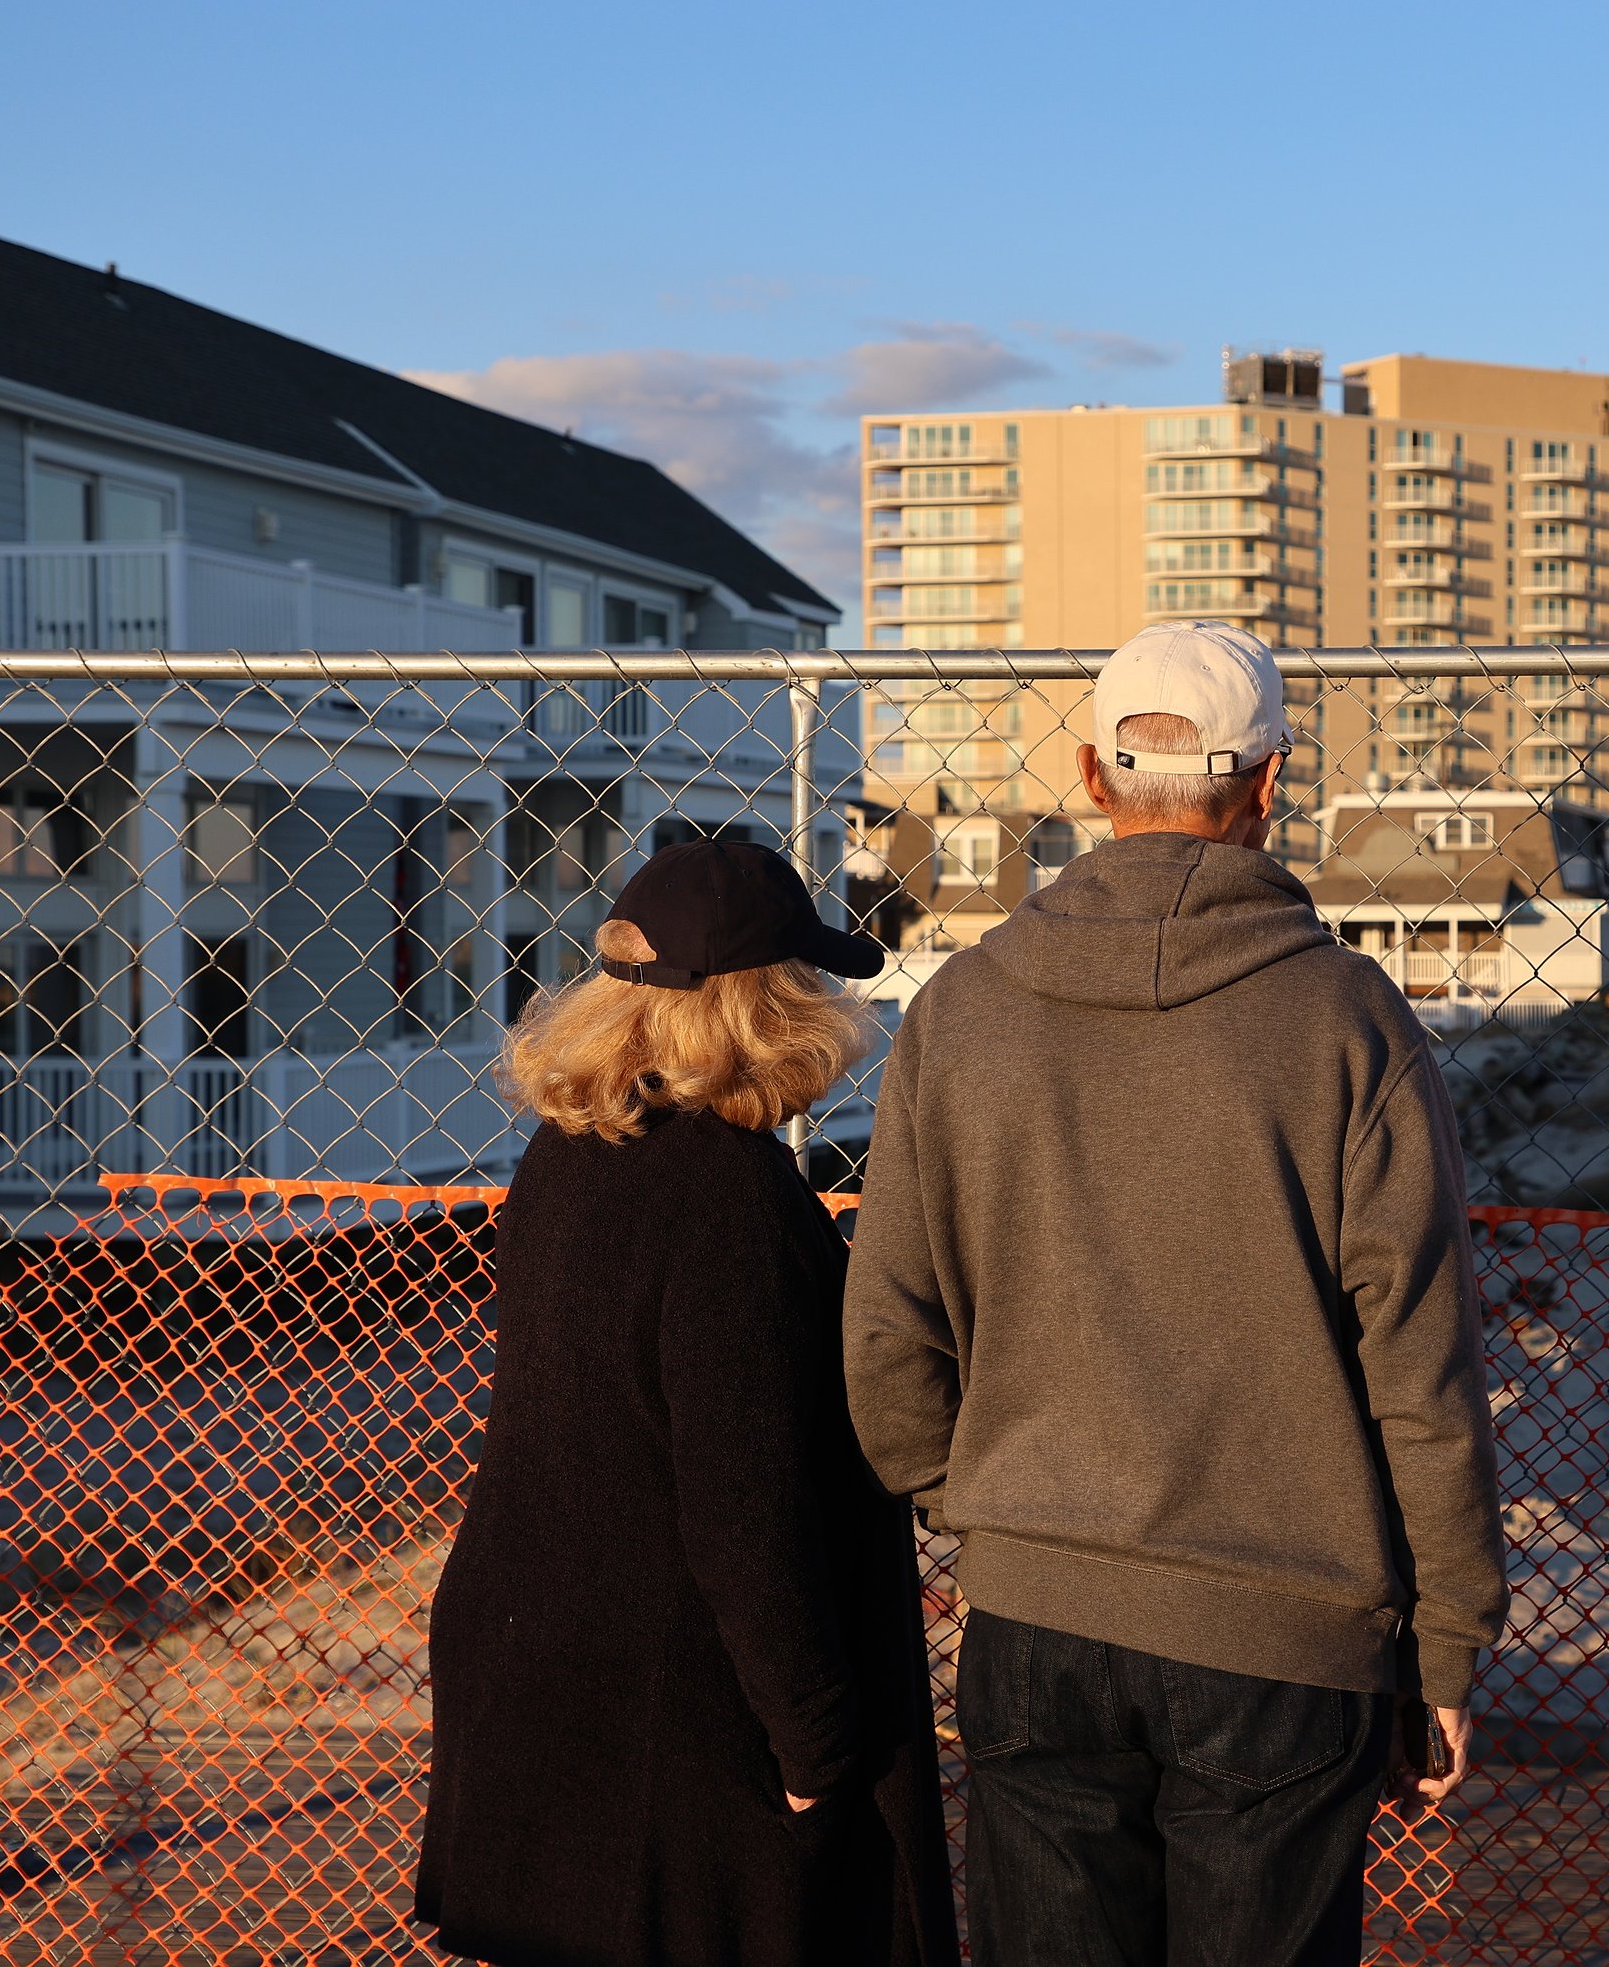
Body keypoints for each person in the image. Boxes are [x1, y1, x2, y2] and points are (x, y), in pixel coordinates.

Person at [844, 621, 1509, 1967]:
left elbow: (886, 1338)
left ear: (1093, 776)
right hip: (1284, 1633)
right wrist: (1445, 1643)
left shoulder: (960, 1013)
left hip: (1035, 1613)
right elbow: (1421, 1367)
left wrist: (982, 1499)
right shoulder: (1346, 1019)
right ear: (1270, 783)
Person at [414, 838, 959, 1967]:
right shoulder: (727, 1199)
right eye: (803, 980)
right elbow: (742, 1506)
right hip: (672, 1732)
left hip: (544, 1684)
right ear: (765, 1005)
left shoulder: (566, 1153)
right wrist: (815, 1747)